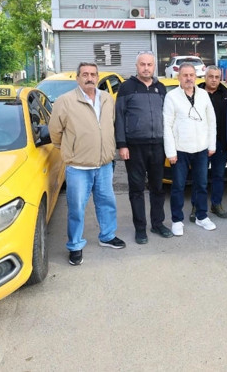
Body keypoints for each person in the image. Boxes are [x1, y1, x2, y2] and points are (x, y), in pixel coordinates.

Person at [49, 62, 126, 266]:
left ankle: (107, 236)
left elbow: (112, 124)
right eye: (85, 74)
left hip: (104, 164)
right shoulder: (65, 101)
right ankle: (75, 245)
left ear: (97, 76)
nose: (89, 78)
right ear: (78, 78)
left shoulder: (107, 99)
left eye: (93, 74)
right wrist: (68, 150)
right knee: (76, 208)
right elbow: (55, 131)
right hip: (78, 167)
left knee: (107, 203)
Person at [115, 51, 173, 245]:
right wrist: (122, 144)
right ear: (136, 66)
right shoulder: (126, 87)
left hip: (158, 145)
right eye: (143, 64)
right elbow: (120, 117)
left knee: (158, 187)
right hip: (134, 147)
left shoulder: (161, 88)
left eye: (149, 64)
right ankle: (140, 229)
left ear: (154, 66)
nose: (146, 68)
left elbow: (168, 117)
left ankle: (158, 223)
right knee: (137, 189)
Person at [163, 63, 218, 235]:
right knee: (178, 186)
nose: (188, 78)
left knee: (201, 184)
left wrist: (212, 145)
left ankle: (202, 216)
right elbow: (167, 125)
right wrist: (170, 152)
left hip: (201, 149)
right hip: (180, 150)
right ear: (178, 77)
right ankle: (177, 220)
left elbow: (211, 121)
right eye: (185, 75)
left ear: (196, 77)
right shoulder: (171, 97)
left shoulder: (203, 95)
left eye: (191, 75)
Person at [196, 65, 227, 220]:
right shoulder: (196, 93)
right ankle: (197, 206)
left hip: (221, 143)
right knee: (200, 177)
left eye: (217, 77)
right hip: (200, 143)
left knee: (218, 175)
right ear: (205, 77)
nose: (214, 80)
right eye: (211, 76)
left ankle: (216, 204)